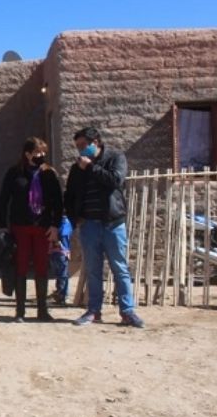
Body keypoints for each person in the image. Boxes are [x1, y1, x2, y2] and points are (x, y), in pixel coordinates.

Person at [65, 127, 145, 328]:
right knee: (93, 269)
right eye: (78, 147)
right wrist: (75, 219)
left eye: (84, 145)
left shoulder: (115, 158)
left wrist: (91, 167)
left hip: (113, 223)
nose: (81, 150)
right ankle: (93, 311)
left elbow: (115, 180)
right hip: (89, 225)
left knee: (120, 268)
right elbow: (70, 195)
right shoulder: (77, 168)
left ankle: (127, 312)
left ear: (96, 142)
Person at [0, 137, 63, 323]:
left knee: (42, 267)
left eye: (43, 153)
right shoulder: (14, 173)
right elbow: (4, 200)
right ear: (27, 154)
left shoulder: (49, 174)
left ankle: (42, 310)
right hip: (20, 226)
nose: (41, 156)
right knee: (21, 266)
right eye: (37, 153)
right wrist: (2, 225)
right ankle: (20, 311)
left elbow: (58, 202)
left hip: (43, 227)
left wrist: (55, 225)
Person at [49, 215, 73, 305]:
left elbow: (63, 234)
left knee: (63, 275)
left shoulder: (65, 222)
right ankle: (59, 293)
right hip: (54, 251)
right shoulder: (57, 223)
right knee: (59, 274)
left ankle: (62, 295)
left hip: (62, 252)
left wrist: (57, 238)